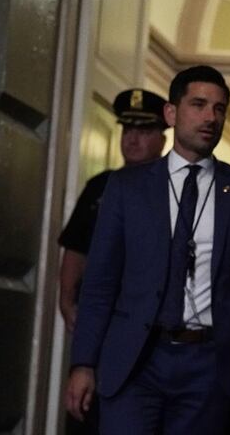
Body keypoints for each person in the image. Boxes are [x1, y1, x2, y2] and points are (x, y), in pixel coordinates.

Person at [65, 65, 230, 434]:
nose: (210, 117)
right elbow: (100, 284)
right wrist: (83, 363)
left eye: (219, 109)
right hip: (136, 360)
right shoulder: (127, 188)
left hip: (209, 366)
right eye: (199, 104)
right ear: (171, 114)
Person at [58, 89, 168, 334]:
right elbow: (75, 248)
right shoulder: (100, 186)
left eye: (144, 131)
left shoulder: (172, 187)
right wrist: (66, 301)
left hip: (149, 318)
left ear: (162, 140)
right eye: (128, 130)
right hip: (100, 312)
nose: (133, 139)